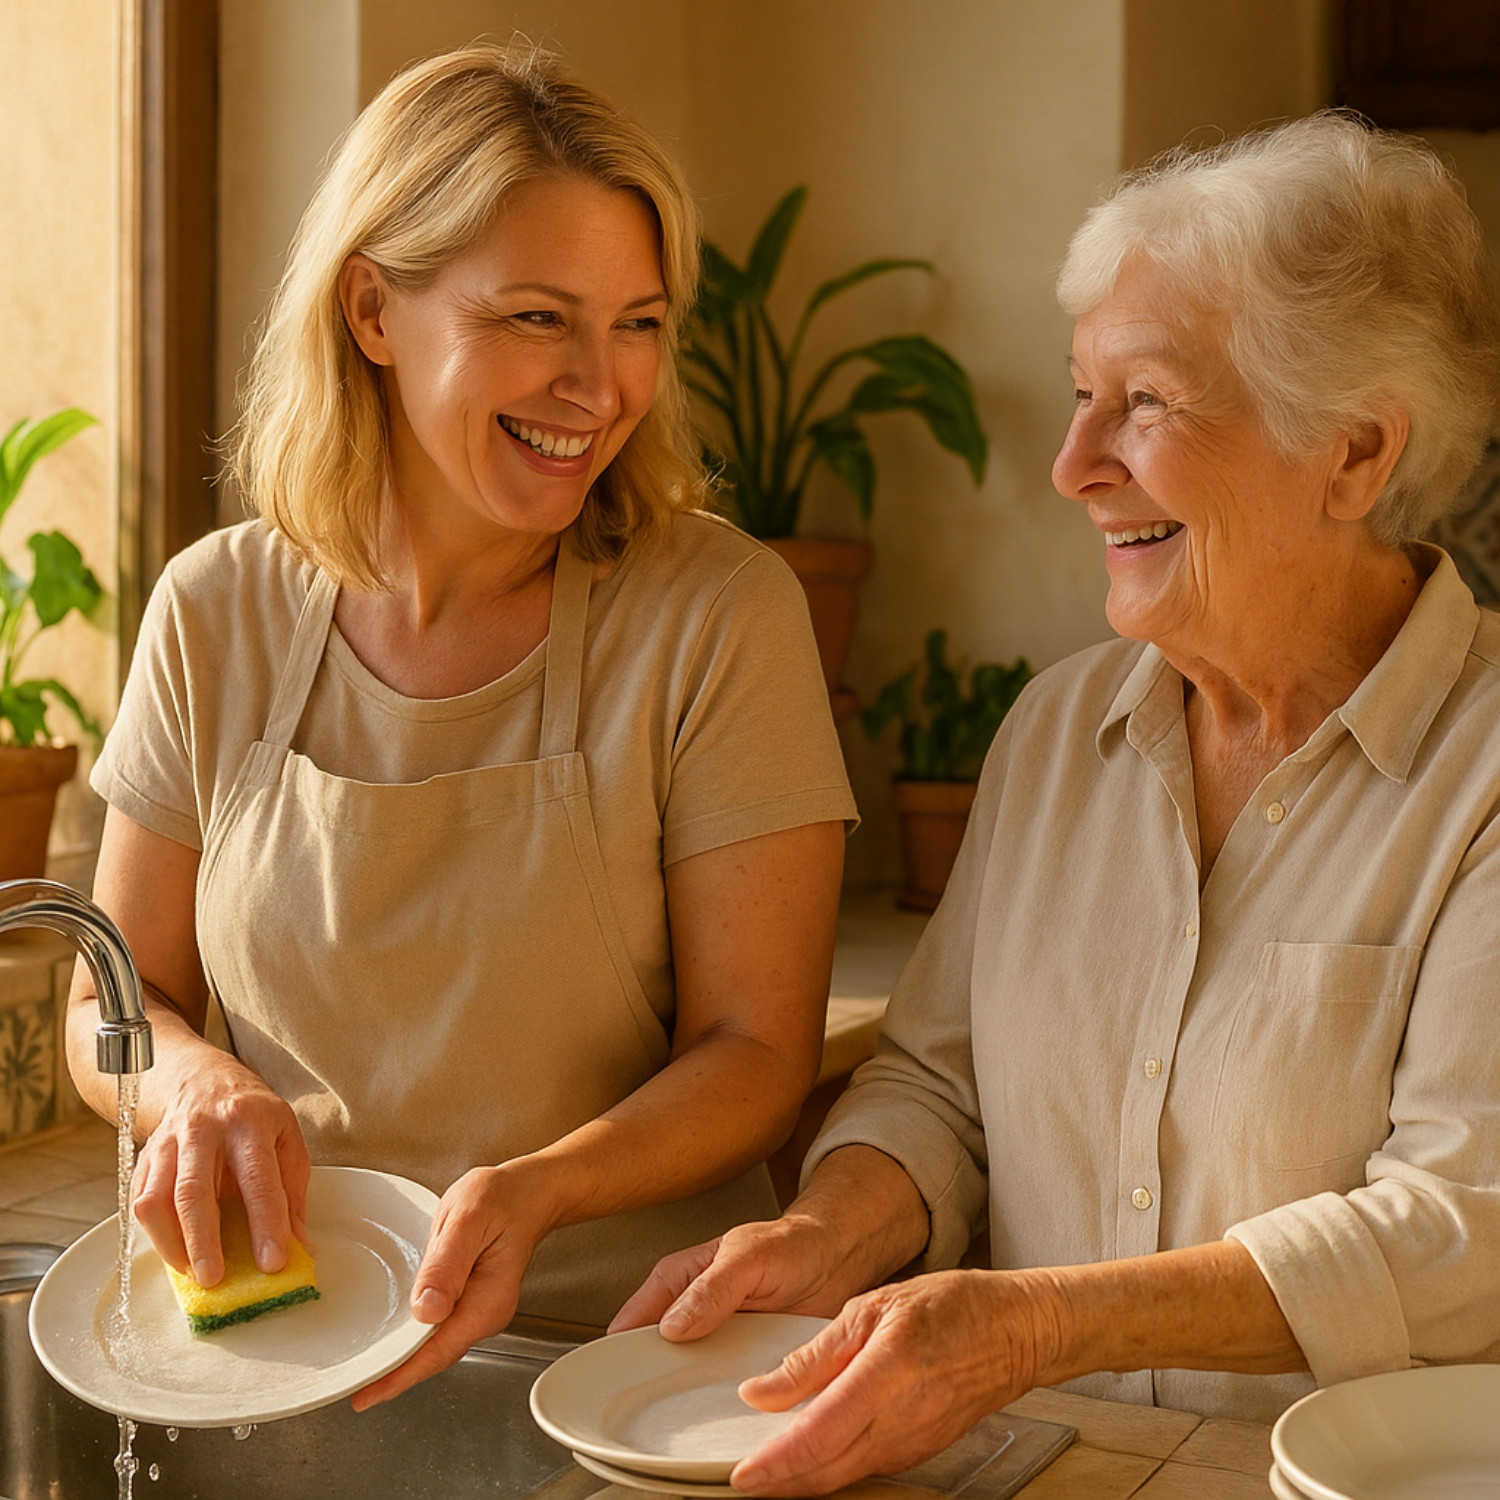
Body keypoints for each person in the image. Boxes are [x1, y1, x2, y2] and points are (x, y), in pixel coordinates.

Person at [615, 112, 1500, 1494]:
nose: (1073, 463)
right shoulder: (1053, 734)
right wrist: (838, 1226)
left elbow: (1460, 1233)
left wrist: (1029, 1327)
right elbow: (938, 1087)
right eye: (1080, 394)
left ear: (1353, 452)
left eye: (1143, 401)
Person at [65, 41, 856, 1406]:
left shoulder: (720, 616)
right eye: (539, 319)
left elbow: (757, 1054)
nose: (600, 387)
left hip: (613, 1367)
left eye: (638, 323)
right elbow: (115, 1001)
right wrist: (192, 1085)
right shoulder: (216, 609)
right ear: (374, 309)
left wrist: (540, 1192)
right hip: (274, 1351)